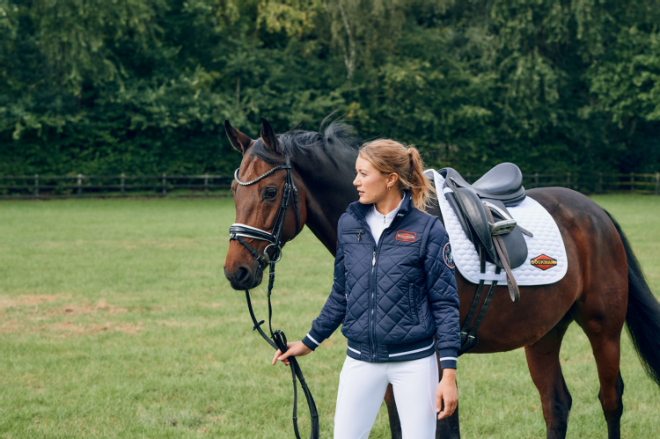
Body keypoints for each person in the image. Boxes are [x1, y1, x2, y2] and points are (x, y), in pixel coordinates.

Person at [272, 139, 460, 438]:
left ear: (390, 179)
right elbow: (341, 293)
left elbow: (445, 305)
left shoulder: (429, 230)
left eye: (363, 173)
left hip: (415, 364)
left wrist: (447, 374)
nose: (355, 181)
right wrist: (309, 341)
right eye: (356, 173)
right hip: (359, 361)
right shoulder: (348, 224)